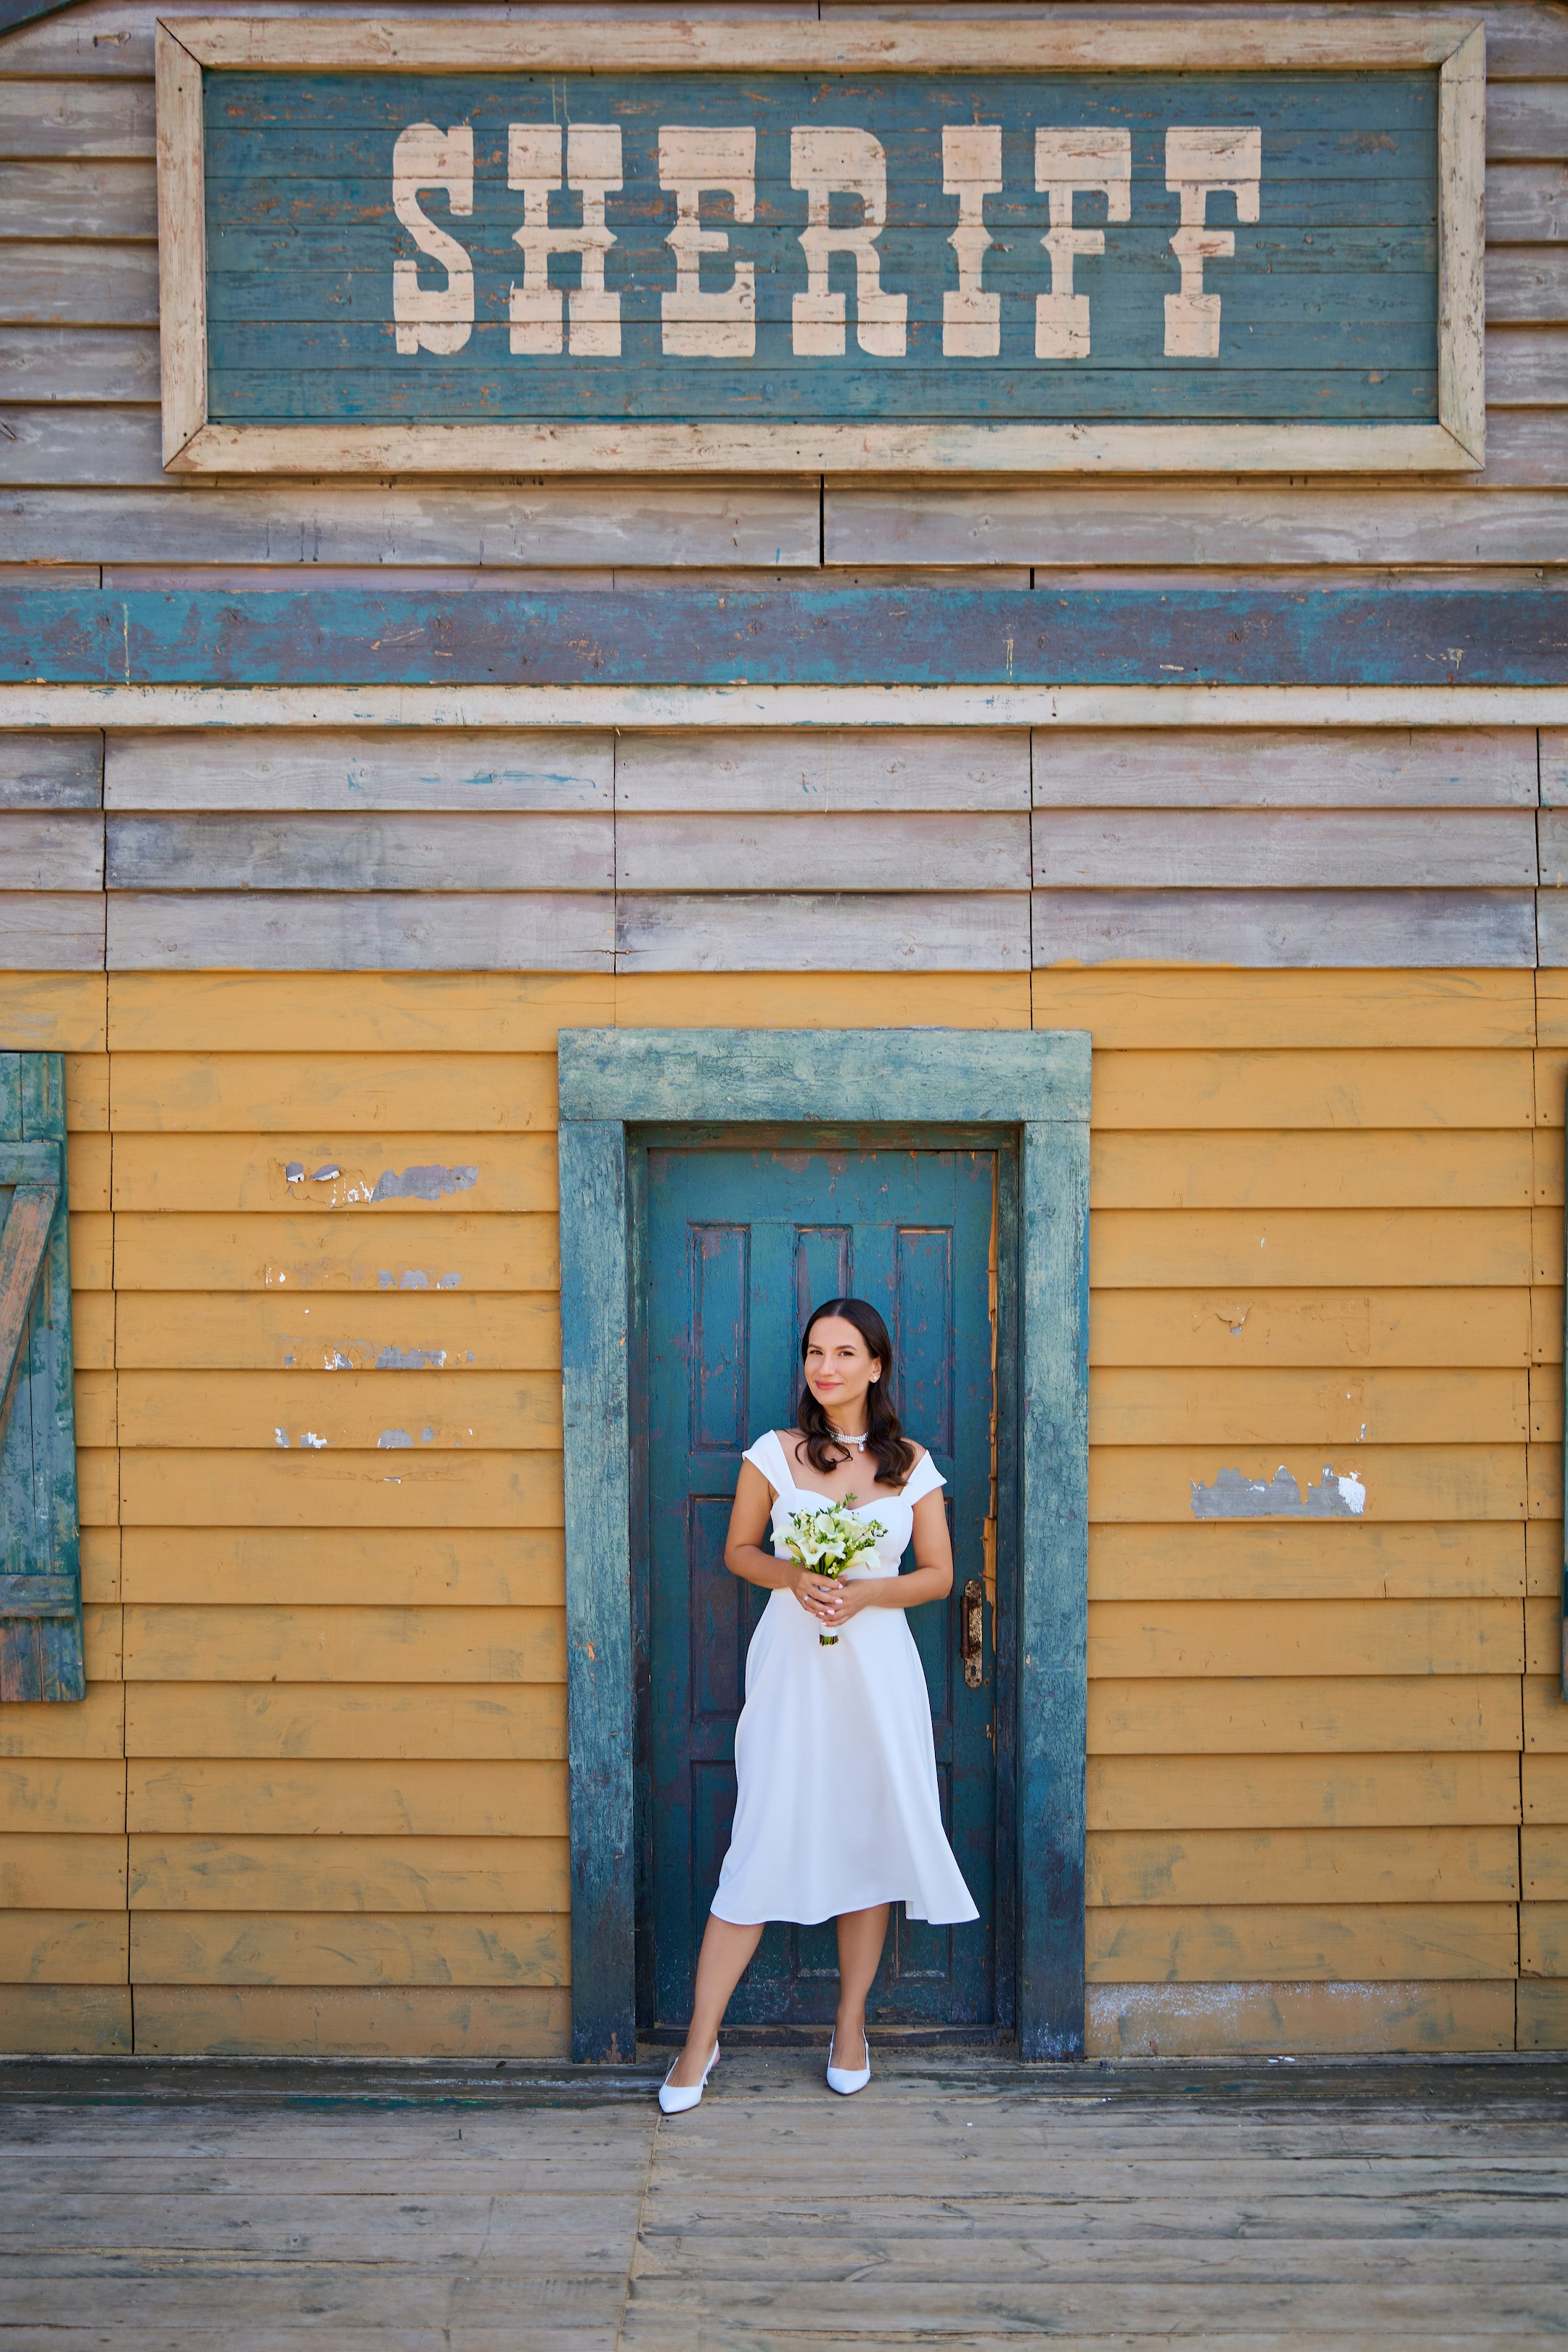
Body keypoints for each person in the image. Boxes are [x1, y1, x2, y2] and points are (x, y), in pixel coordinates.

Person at [659, 1296, 978, 2114]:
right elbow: (738, 1551)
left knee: (868, 1838)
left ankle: (848, 2024)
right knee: (761, 1836)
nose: (825, 1368)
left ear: (876, 1366)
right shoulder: (775, 1452)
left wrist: (870, 1592)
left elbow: (939, 1575)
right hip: (792, 1669)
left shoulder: (913, 1464)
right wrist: (792, 1576)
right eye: (814, 1353)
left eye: (843, 1353)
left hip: (877, 1671)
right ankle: (700, 2044)